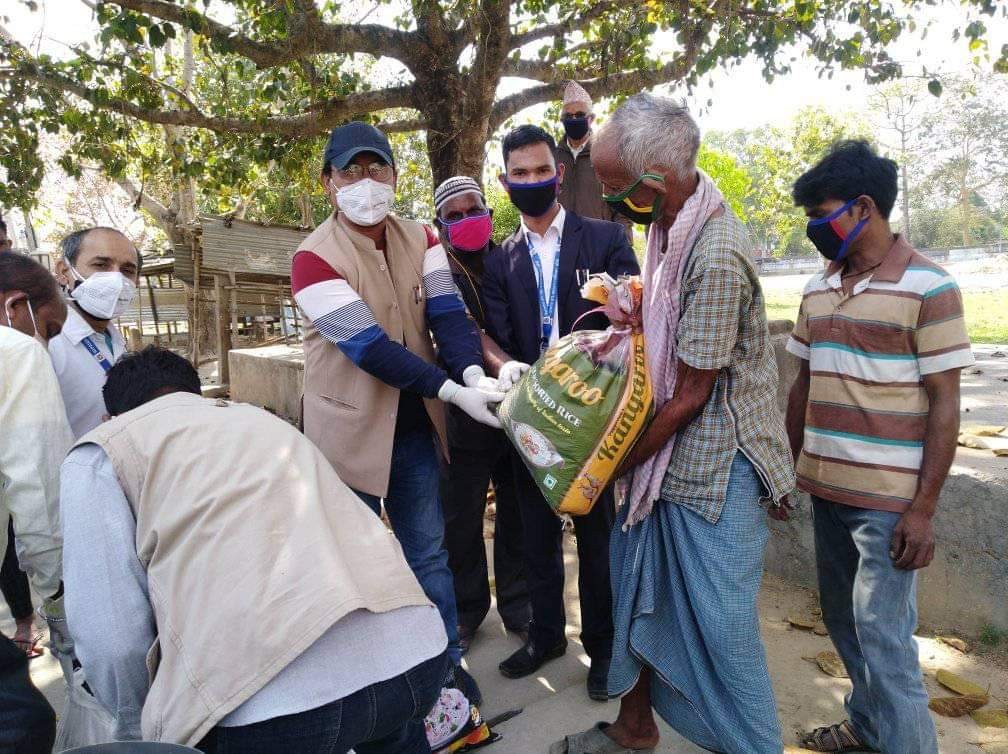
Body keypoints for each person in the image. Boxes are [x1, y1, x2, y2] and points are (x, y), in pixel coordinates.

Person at [553, 93, 797, 754]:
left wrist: (610, 465)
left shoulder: (714, 254)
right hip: (668, 464)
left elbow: (690, 395)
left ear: (651, 182)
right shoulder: (668, 224)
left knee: (721, 632)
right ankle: (635, 728)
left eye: (610, 186)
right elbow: (670, 332)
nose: (605, 201)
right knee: (638, 595)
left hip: (712, 471)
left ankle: (754, 746)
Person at [61, 346, 456, 751]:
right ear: (196, 394)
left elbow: (111, 637)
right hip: (414, 657)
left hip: (266, 709)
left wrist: (139, 733)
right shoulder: (260, 420)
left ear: (111, 416)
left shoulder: (101, 455)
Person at [292, 122, 502, 671]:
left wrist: (476, 374)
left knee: (429, 553)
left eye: (377, 167)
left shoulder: (423, 238)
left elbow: (447, 314)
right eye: (351, 171)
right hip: (348, 437)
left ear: (394, 173)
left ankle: (445, 667)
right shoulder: (312, 258)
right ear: (328, 183)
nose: (367, 181)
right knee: (354, 562)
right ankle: (371, 675)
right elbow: (369, 348)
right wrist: (455, 390)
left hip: (413, 430)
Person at [786, 140, 973, 754]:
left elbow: (945, 403)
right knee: (844, 623)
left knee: (885, 639)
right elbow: (803, 385)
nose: (815, 227)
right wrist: (790, 470)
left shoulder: (930, 287)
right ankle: (868, 730)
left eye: (823, 212)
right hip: (825, 490)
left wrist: (923, 509)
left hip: (888, 506)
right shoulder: (818, 289)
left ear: (864, 208)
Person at [482, 124, 639, 700]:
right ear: (504, 181)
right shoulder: (501, 260)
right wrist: (506, 368)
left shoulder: (604, 239)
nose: (530, 181)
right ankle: (547, 635)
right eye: (518, 174)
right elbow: (497, 332)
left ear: (559, 172)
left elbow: (632, 314)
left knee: (596, 541)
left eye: (539, 170)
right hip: (533, 417)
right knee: (534, 538)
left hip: (594, 422)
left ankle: (601, 649)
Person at [432, 176, 532, 655]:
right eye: (453, 215)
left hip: (517, 409)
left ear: (489, 214)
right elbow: (456, 331)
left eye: (473, 209)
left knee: (516, 512)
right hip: (464, 414)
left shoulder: (513, 259)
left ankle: (518, 606)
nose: (465, 220)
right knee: (460, 519)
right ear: (440, 225)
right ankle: (467, 612)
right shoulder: (436, 271)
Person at [0, 252, 74, 754]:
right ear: (15, 306)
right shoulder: (17, 353)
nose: (44, 342)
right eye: (46, 328)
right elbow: (40, 490)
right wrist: (61, 597)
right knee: (23, 722)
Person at [50, 226, 140, 438]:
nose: (116, 279)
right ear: (64, 272)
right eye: (101, 265)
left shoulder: (114, 338)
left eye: (127, 270)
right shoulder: (47, 345)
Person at [555, 81, 633, 241]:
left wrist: (620, 249)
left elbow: (624, 211)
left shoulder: (609, 156)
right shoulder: (551, 158)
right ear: (562, 120)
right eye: (568, 116)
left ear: (591, 118)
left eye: (579, 115)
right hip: (560, 249)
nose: (574, 119)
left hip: (599, 249)